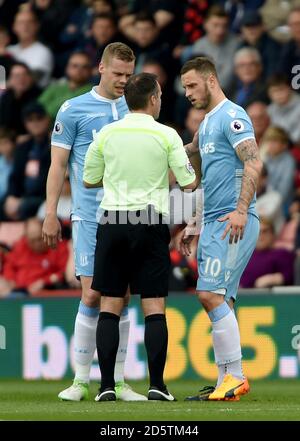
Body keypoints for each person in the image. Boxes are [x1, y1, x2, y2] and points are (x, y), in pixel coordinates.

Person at [83, 72, 198, 401]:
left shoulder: (106, 133)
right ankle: (157, 385)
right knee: (154, 306)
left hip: (112, 221)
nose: (160, 100)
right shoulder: (167, 135)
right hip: (149, 222)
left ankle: (106, 386)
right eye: (160, 95)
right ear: (152, 99)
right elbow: (188, 182)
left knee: (110, 305)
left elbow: (90, 180)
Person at [41, 42, 145, 402]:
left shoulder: (136, 108)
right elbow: (57, 165)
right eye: (117, 74)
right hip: (89, 214)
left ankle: (118, 381)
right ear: (100, 68)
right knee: (92, 292)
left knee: (124, 295)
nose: (122, 81)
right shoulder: (73, 110)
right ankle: (80, 379)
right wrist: (51, 212)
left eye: (129, 76)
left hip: (129, 214)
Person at [179, 57, 263, 401]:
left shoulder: (232, 116)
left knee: (209, 295)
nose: (187, 93)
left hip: (232, 219)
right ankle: (225, 381)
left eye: (192, 85)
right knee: (221, 299)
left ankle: (237, 376)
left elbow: (253, 160)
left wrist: (242, 210)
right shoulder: (206, 123)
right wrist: (194, 222)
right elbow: (203, 174)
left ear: (211, 80)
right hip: (213, 220)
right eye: (185, 87)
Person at [0, 217, 69, 298]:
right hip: (18, 292)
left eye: (39, 239)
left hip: (46, 293)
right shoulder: (21, 245)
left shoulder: (58, 247)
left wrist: (45, 281)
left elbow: (63, 272)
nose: (37, 243)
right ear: (26, 238)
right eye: (32, 240)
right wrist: (11, 280)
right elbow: (9, 265)